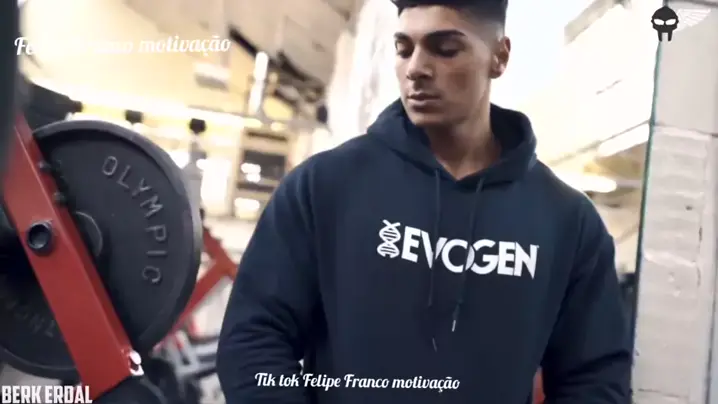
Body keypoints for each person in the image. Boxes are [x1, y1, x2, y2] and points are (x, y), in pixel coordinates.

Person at [216, 0, 632, 402]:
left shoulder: (566, 221)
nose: (416, 68)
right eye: (404, 49)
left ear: (499, 57)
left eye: (445, 49)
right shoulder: (323, 187)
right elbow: (254, 340)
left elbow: (595, 378)